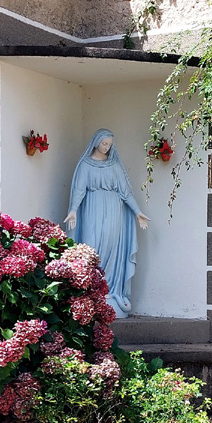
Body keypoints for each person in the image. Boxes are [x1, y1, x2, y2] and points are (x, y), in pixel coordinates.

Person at [64, 129, 150, 318]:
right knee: (91, 248)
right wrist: (73, 210)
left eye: (109, 145)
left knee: (112, 249)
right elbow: (79, 189)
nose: (106, 147)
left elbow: (125, 192)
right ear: (96, 142)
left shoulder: (115, 166)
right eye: (104, 143)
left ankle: (110, 292)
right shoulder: (85, 165)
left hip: (113, 211)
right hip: (92, 210)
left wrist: (138, 212)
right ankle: (91, 292)